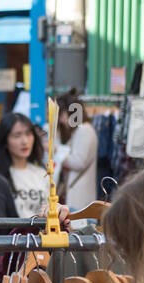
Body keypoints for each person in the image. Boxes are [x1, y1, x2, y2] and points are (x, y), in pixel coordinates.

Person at [0, 112, 48, 219]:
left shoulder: (42, 173)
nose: (24, 141)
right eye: (17, 135)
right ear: (5, 141)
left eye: (28, 134)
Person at [53, 89, 98, 217]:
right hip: (76, 199)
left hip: (79, 200)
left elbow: (79, 162)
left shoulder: (84, 130)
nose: (61, 120)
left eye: (62, 115)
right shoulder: (78, 131)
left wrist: (56, 150)